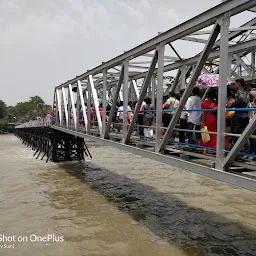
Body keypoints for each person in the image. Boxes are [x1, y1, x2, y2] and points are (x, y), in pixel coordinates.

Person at [227, 78, 250, 154]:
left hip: (239, 115)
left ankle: (244, 149)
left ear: (238, 84)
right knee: (242, 134)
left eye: (235, 83)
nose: (234, 85)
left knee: (234, 134)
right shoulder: (246, 92)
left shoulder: (240, 92)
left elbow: (241, 101)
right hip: (245, 115)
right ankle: (245, 150)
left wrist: (233, 102)